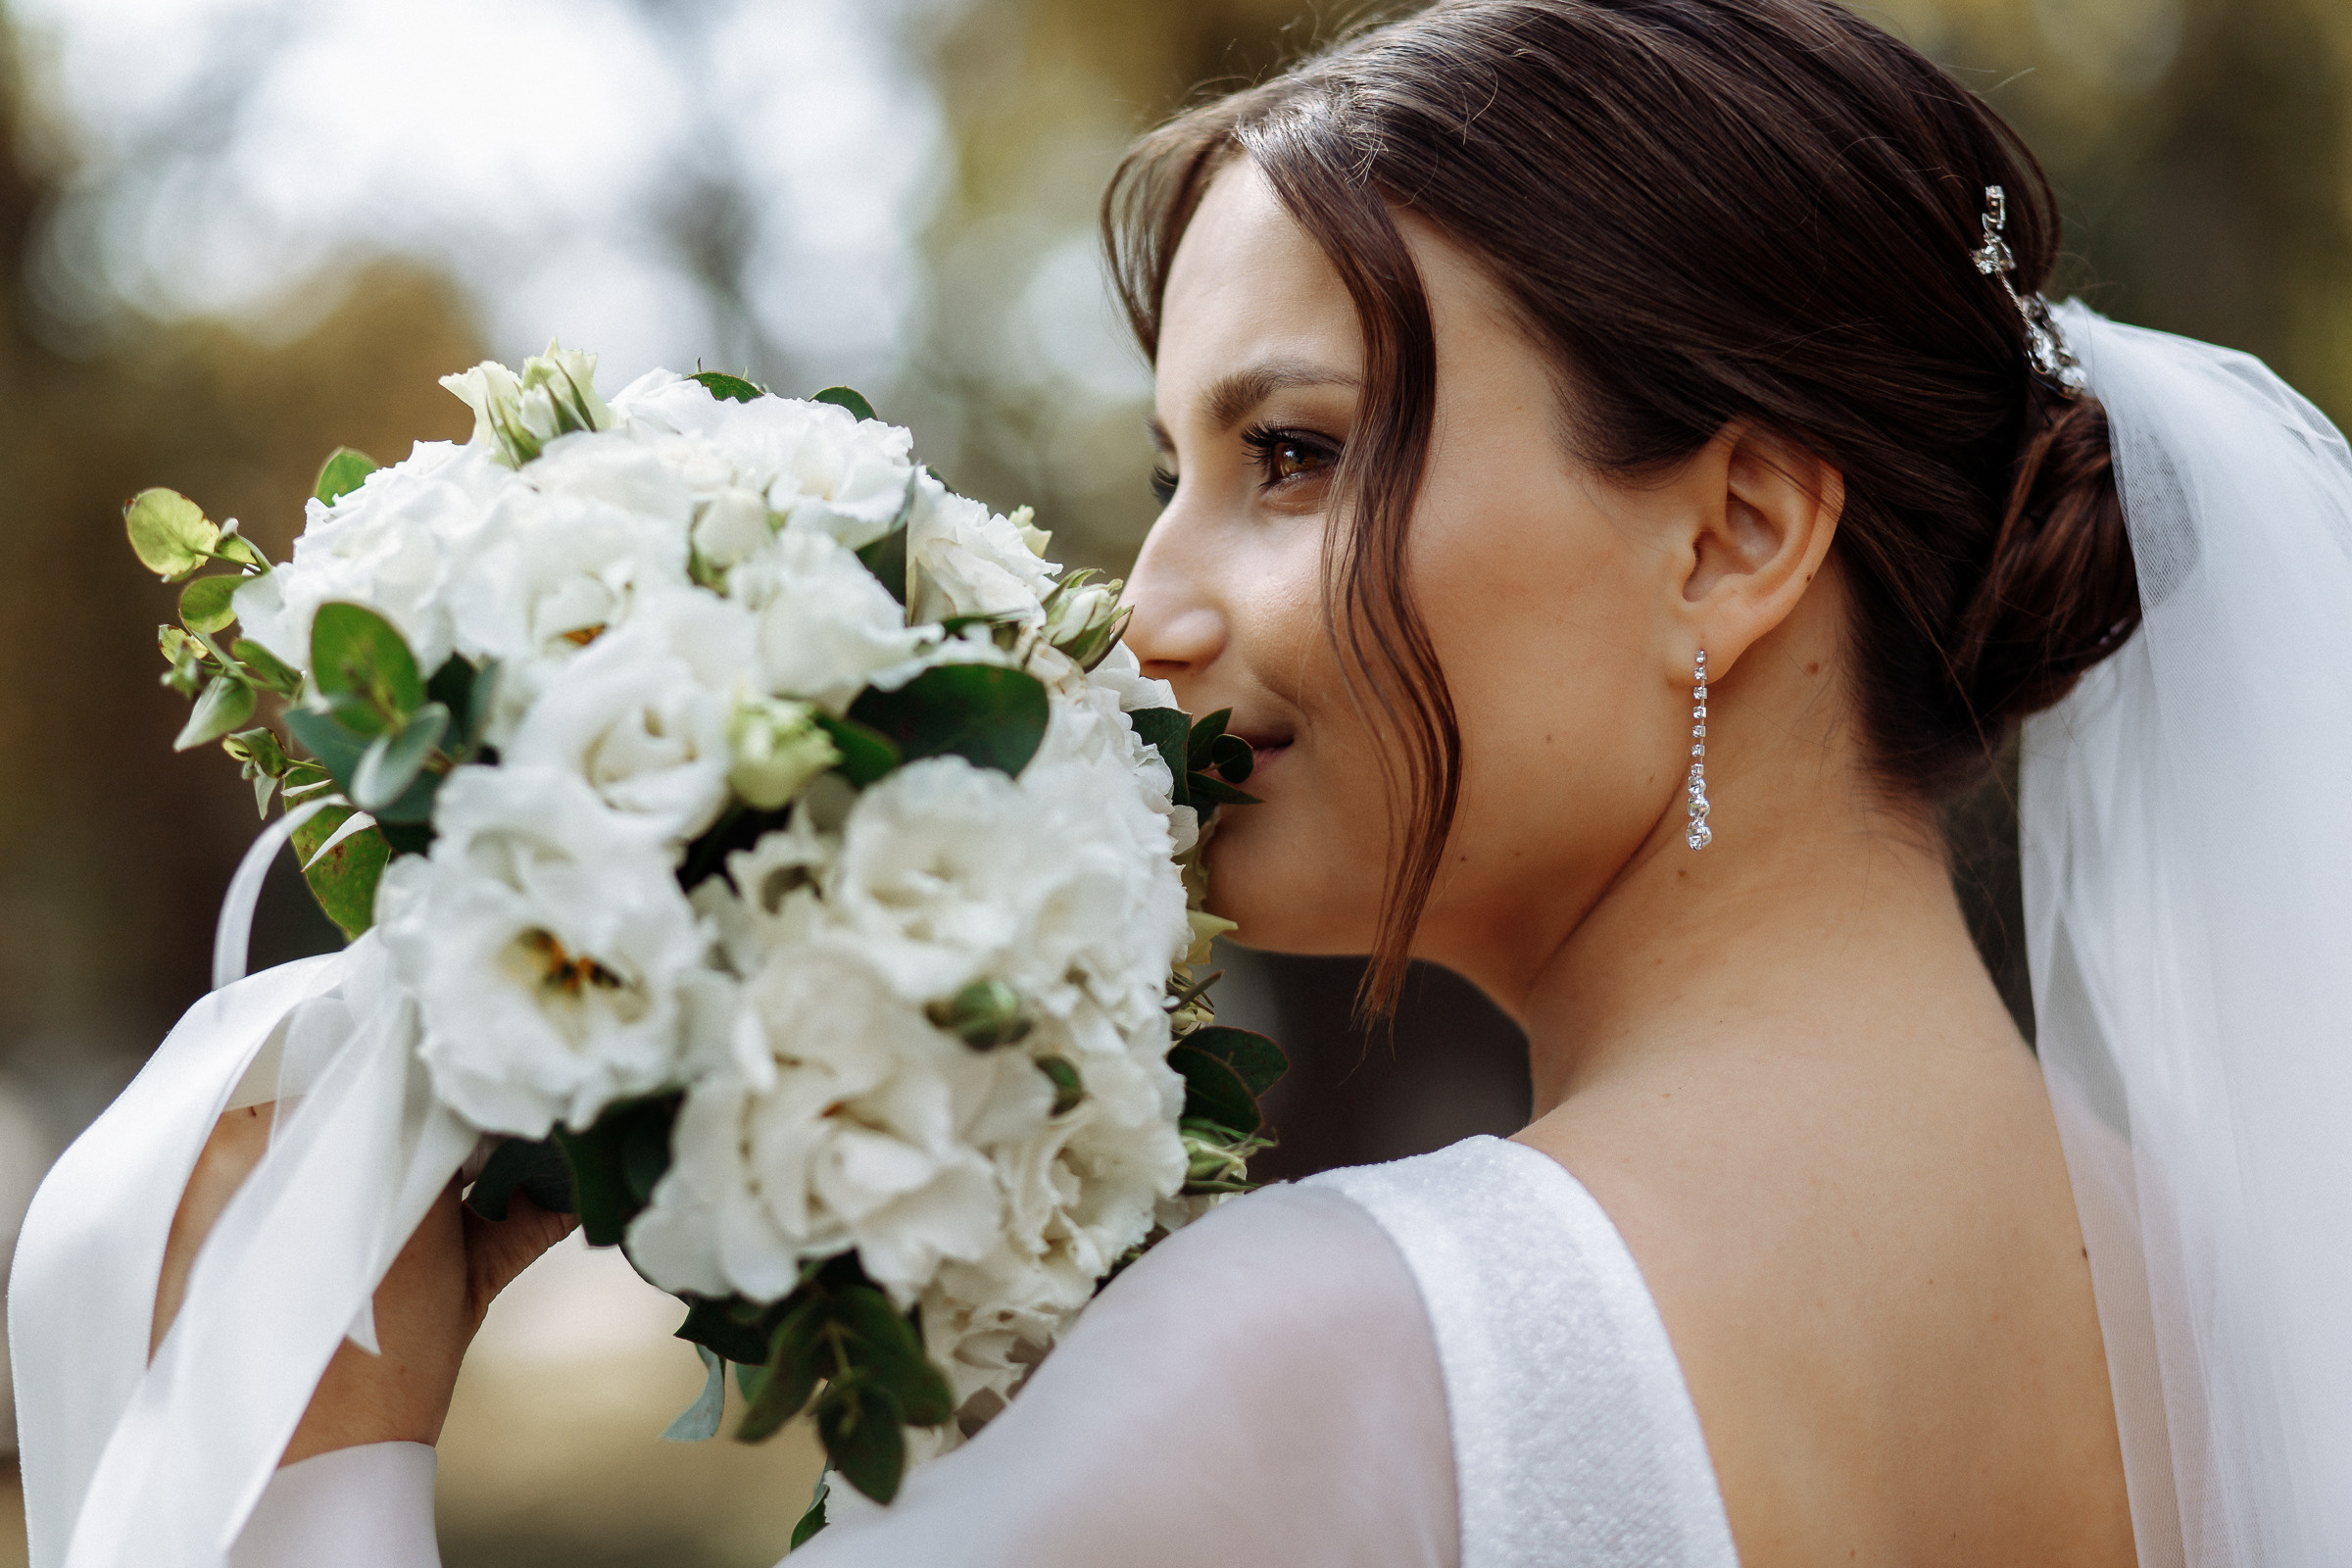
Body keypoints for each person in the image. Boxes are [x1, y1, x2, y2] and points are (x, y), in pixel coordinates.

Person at [45, 1, 2352, 1564]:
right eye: (1174, 469)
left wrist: (300, 1430)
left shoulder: (1341, 1352)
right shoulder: (2236, 1307)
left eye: (1293, 455)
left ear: (1736, 534)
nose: (1148, 604)